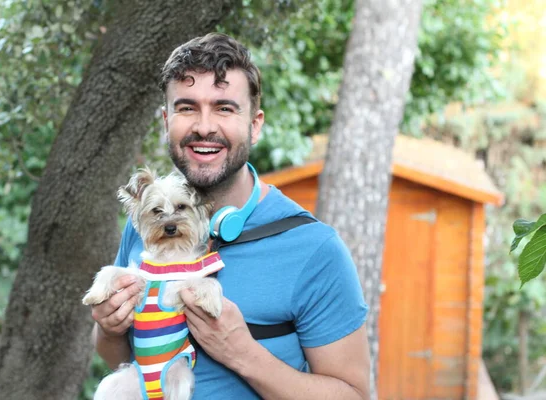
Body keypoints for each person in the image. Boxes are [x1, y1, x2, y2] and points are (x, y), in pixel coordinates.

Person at [90, 32, 370, 399]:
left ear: (254, 124)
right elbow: (118, 355)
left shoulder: (314, 249)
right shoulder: (145, 223)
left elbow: (354, 395)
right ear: (166, 120)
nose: (204, 126)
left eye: (224, 108)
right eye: (187, 107)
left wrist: (244, 355)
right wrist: (109, 330)